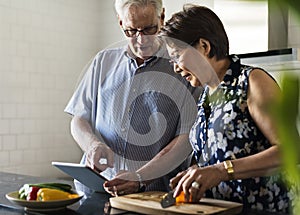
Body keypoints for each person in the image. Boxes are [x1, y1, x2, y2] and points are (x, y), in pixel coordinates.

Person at [159, 4, 291, 213]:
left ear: (204, 46)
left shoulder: (252, 81)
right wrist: (197, 172)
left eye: (177, 55)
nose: (175, 67)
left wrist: (221, 170)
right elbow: (220, 155)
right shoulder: (206, 95)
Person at [64, 0, 199, 196]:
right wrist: (92, 145)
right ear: (120, 23)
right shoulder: (103, 61)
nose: (141, 39)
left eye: (149, 29)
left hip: (150, 196)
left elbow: (186, 140)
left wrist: (141, 178)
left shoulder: (183, 69)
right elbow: (79, 119)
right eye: (131, 31)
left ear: (162, 18)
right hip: (94, 189)